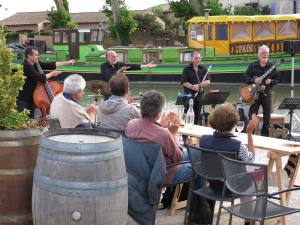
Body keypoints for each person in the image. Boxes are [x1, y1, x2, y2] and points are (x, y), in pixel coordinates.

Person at [200, 102, 259, 225]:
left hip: (214, 186)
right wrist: (249, 133)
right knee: (252, 179)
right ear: (234, 122)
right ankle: (248, 219)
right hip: (233, 188)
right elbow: (251, 158)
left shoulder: (203, 140)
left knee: (249, 176)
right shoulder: (237, 146)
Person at [125, 90, 192, 185]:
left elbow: (148, 134)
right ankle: (197, 200)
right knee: (196, 166)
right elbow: (178, 158)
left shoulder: (131, 125)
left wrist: (161, 126)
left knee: (190, 155)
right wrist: (173, 133)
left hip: (138, 171)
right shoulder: (164, 134)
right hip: (160, 174)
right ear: (159, 113)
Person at [16, 47, 76, 118]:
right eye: (36, 55)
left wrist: (67, 63)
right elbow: (40, 77)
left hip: (33, 97)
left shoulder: (34, 63)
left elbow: (49, 64)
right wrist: (52, 74)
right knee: (23, 118)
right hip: (24, 98)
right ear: (29, 56)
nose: (37, 57)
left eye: (38, 55)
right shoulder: (26, 66)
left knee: (30, 118)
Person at [244, 45, 279, 137]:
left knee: (267, 116)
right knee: (252, 113)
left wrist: (271, 81)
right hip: (254, 93)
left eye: (266, 53)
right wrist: (254, 80)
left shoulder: (272, 66)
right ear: (259, 55)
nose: (265, 54)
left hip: (266, 92)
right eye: (263, 53)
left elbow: (277, 80)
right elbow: (245, 78)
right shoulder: (252, 66)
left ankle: (265, 137)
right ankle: (251, 134)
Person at [181, 52, 211, 125]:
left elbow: (208, 81)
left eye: (199, 58)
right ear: (192, 59)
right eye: (196, 58)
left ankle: (194, 133)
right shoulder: (186, 69)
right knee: (188, 115)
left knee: (197, 117)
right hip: (189, 97)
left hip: (199, 97)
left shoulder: (203, 69)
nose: (198, 60)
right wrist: (193, 87)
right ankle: (186, 134)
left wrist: (199, 85)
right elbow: (184, 82)